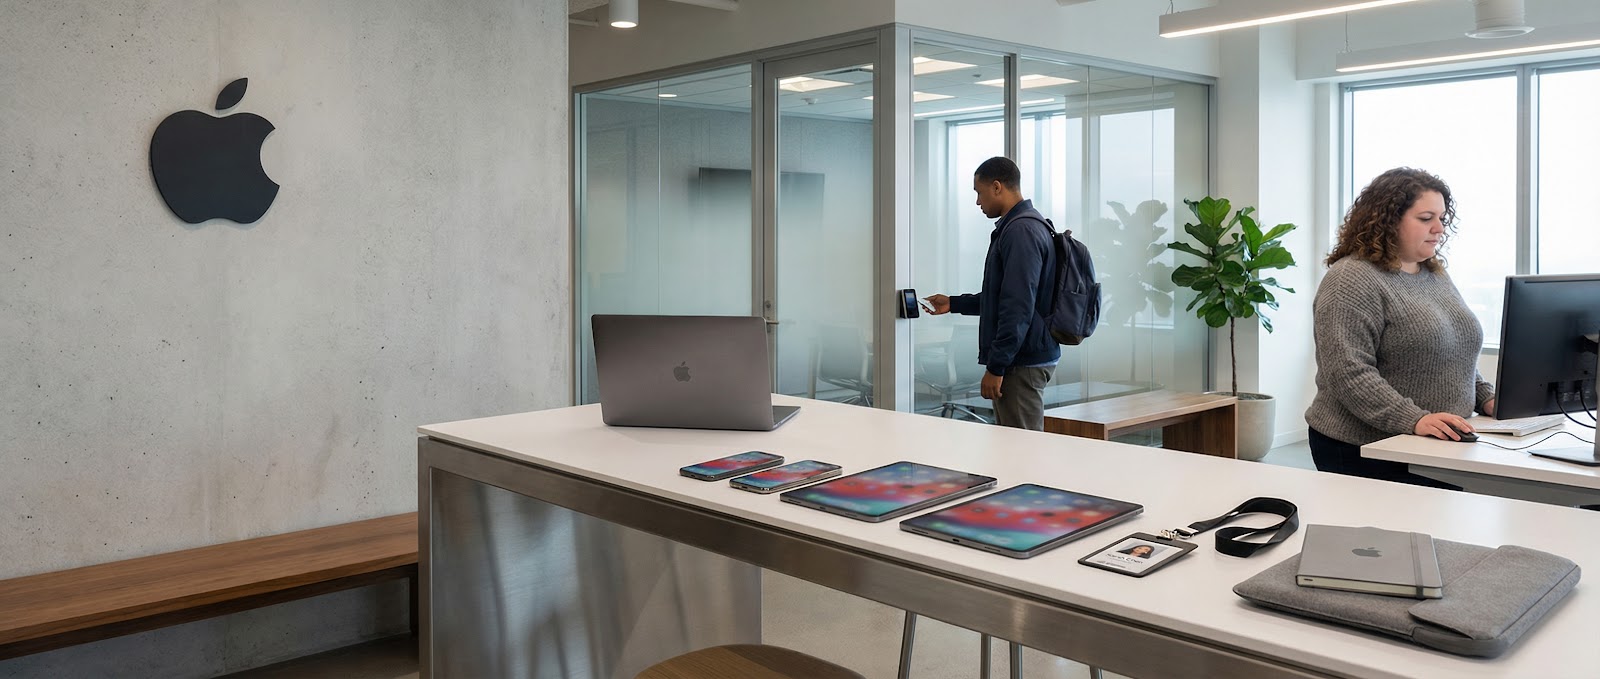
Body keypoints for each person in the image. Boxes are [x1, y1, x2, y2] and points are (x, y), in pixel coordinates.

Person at [1304, 167, 1496, 488]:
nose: (1439, 229)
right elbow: (1348, 373)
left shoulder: (1433, 273)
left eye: (1442, 219)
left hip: (1434, 444)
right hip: (1363, 447)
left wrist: (1485, 397)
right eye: (1426, 218)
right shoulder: (1351, 278)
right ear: (1388, 219)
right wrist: (1414, 419)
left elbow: (1452, 350)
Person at [923, 157, 1060, 431]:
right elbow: (1005, 297)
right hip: (1025, 357)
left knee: (1023, 449)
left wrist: (997, 367)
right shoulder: (1025, 225)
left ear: (997, 187)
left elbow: (1017, 306)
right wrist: (954, 303)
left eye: (979, 192)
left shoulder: (1021, 230)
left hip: (1020, 363)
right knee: (1017, 447)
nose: (977, 202)